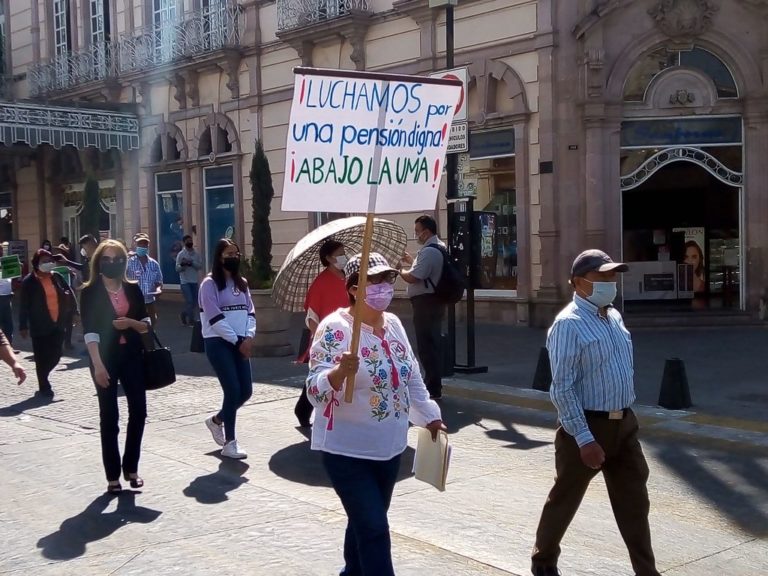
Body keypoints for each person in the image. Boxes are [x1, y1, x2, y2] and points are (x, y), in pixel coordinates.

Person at [307, 252, 446, 576]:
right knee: (374, 528)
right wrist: (339, 373)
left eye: (388, 279)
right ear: (354, 288)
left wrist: (430, 415)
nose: (383, 287)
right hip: (346, 451)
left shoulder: (395, 324)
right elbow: (314, 390)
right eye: (374, 281)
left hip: (389, 448)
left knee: (364, 522)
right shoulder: (335, 329)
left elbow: (410, 375)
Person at [531, 249, 661, 576]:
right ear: (578, 282)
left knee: (635, 503)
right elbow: (562, 388)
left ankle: (647, 571)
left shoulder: (614, 316)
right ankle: (543, 561)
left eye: (612, 276)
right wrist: (585, 439)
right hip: (586, 427)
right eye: (602, 277)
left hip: (624, 425)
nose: (610, 282)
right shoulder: (568, 325)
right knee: (565, 499)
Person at [81, 240, 151, 495]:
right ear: (99, 262)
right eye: (107, 259)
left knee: (139, 412)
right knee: (109, 417)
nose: (112, 263)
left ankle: (131, 467)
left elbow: (146, 324)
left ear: (124, 261)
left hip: (132, 355)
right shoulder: (90, 292)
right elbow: (90, 331)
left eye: (117, 259)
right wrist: (98, 366)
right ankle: (112, 475)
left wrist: (130, 322)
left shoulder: (132, 289)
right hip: (104, 358)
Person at [199, 238, 256, 459]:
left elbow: (250, 312)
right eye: (228, 254)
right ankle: (230, 442)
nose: (233, 257)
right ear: (219, 257)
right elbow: (214, 317)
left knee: (246, 391)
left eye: (236, 253)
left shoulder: (242, 283)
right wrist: (236, 341)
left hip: (242, 341)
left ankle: (216, 420)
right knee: (232, 389)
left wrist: (249, 336)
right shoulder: (209, 284)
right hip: (219, 343)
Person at [294, 239, 349, 428]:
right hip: (328, 338)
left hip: (349, 333)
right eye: (339, 253)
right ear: (328, 258)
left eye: (344, 252)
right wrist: (320, 337)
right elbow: (311, 316)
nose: (344, 257)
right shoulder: (320, 283)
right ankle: (303, 409)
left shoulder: (349, 277)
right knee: (321, 374)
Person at [398, 214, 446, 399]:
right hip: (433, 302)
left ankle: (433, 386)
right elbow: (425, 270)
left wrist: (399, 269)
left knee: (426, 346)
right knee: (431, 343)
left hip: (426, 304)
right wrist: (412, 261)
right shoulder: (438, 247)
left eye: (418, 231)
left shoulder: (429, 252)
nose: (416, 235)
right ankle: (433, 383)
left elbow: (414, 277)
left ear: (426, 232)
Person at [18, 249, 77, 398]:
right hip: (39, 325)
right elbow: (23, 305)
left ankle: (44, 375)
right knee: (41, 357)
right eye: (44, 261)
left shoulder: (56, 277)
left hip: (58, 322)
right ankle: (44, 385)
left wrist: (76, 312)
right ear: (36, 264)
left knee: (57, 354)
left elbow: (69, 292)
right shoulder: (29, 282)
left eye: (50, 260)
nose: (48, 264)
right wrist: (22, 325)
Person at [126, 233, 163, 326]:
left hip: (149, 301)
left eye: (145, 244)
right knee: (136, 325)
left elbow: (158, 281)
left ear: (148, 246)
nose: (142, 246)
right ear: (135, 245)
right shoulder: (129, 263)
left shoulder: (154, 264)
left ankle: (150, 338)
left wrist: (158, 290)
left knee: (151, 324)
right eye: (140, 244)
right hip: (134, 301)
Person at [176, 234, 203, 326]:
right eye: (187, 241)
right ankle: (191, 321)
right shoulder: (181, 254)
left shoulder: (196, 254)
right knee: (190, 301)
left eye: (190, 241)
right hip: (185, 281)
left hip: (194, 281)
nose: (189, 243)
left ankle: (184, 314)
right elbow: (177, 268)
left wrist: (191, 263)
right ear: (184, 243)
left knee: (195, 302)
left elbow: (200, 266)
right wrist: (183, 265)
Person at [0, 244, 14, 344]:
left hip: (7, 295)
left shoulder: (6, 262)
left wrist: (17, 268)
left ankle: (9, 346)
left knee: (8, 323)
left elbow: (11, 277)